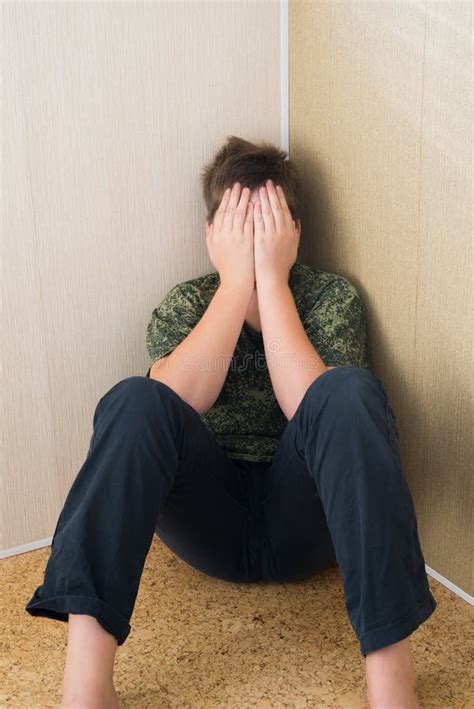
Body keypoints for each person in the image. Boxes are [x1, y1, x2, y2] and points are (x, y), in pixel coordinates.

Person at [25, 135, 436, 708]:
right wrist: (235, 283)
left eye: (263, 225)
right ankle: (86, 690)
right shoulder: (187, 304)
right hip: (209, 522)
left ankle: (392, 688)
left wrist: (270, 283)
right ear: (211, 235)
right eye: (236, 227)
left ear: (292, 231)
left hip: (308, 520)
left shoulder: (330, 299)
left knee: (348, 392)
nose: (250, 239)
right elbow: (177, 399)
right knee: (135, 399)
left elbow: (308, 404)